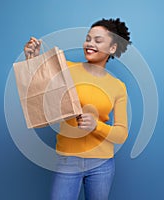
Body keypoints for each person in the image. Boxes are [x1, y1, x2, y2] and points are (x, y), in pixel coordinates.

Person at [24, 18, 131, 200]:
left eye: (98, 40)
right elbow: (37, 83)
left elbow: (121, 133)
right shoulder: (66, 68)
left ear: (112, 48)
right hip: (68, 160)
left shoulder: (118, 86)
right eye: (88, 38)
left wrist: (96, 126)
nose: (90, 43)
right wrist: (32, 58)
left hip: (102, 164)